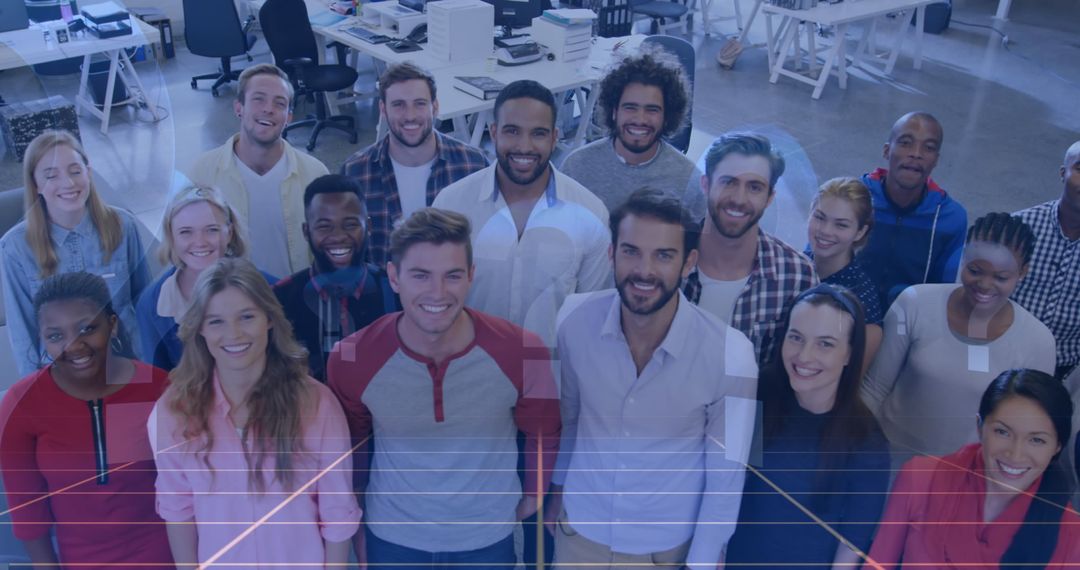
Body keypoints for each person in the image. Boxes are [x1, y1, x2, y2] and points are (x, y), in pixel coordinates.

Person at [327, 208, 560, 569]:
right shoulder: (351, 357)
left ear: (471, 276)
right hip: (393, 541)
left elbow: (544, 431)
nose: (437, 292)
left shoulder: (524, 350)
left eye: (452, 275)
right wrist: (356, 516)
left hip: (485, 542)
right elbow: (351, 445)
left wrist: (534, 494)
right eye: (420, 275)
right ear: (394, 277)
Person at [549, 188, 758, 569]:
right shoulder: (573, 321)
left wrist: (702, 563)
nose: (644, 270)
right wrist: (558, 491)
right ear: (611, 254)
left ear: (688, 262)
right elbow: (572, 420)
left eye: (663, 255)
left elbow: (727, 478)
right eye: (631, 251)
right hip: (578, 534)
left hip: (663, 553)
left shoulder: (733, 355)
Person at [149, 258, 359, 567]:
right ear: (200, 328)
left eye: (246, 316)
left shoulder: (316, 403)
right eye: (216, 321)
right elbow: (178, 510)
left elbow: (338, 513)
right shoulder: (173, 411)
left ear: (269, 319)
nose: (233, 334)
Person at [0, 272, 172, 569]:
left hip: (165, 557)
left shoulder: (158, 388)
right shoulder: (21, 404)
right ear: (42, 339)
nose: (74, 346)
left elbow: (186, 494)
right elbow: (29, 516)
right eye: (56, 336)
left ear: (112, 324)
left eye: (87, 328)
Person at [863, 212, 1056, 462]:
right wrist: (853, 448)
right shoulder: (915, 302)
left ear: (1023, 272)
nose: (984, 284)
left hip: (965, 474)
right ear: (964, 257)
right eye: (975, 270)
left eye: (1000, 277)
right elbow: (874, 388)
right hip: (885, 455)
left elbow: (1026, 429)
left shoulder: (1037, 342)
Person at [434, 80, 611, 346]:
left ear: (554, 137)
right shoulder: (451, 205)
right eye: (512, 131)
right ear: (494, 133)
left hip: (550, 367)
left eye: (538, 133)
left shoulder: (591, 214)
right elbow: (436, 297)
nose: (524, 146)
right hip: (469, 362)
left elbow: (591, 315)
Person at [724, 284, 889, 569]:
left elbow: (851, 544)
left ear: (850, 354)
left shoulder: (866, 441)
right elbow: (724, 490)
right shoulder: (757, 397)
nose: (804, 356)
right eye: (796, 338)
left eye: (825, 344)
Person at [869, 368, 1080, 566]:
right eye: (1002, 432)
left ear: (1057, 447)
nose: (1015, 455)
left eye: (1036, 440)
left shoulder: (1071, 534)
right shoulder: (919, 479)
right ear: (980, 427)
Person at [1, 129, 151, 377]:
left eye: (75, 171)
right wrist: (35, 390)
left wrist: (153, 372)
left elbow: (145, 303)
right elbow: (22, 332)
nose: (68, 183)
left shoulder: (123, 225)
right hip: (63, 373)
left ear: (88, 173)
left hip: (125, 364)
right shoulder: (14, 247)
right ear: (35, 185)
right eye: (51, 176)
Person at [684, 132, 817, 366]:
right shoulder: (664, 256)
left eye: (754, 187)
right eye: (728, 182)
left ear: (769, 197)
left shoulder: (797, 277)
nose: (739, 199)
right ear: (705, 184)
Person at [185, 63, 330, 278]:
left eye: (279, 103)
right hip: (229, 296)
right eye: (258, 99)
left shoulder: (315, 174)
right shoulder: (201, 174)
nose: (268, 109)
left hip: (295, 296)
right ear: (239, 108)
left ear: (289, 117)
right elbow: (184, 252)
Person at [341, 62, 488, 269]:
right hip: (384, 289)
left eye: (419, 103)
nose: (410, 115)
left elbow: (489, 242)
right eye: (398, 104)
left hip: (454, 287)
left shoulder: (473, 165)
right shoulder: (354, 173)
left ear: (434, 107)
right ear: (383, 109)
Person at [274, 175, 399, 382]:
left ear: (368, 226)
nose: (339, 236)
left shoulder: (397, 292)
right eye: (324, 226)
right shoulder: (279, 300)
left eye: (350, 224)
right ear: (306, 231)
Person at [136, 185, 275, 371]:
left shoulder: (271, 289)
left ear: (230, 233)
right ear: (171, 236)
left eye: (212, 230)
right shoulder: (151, 304)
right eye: (186, 232)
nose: (200, 242)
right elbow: (158, 377)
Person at [559, 48, 704, 218]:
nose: (640, 119)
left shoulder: (689, 180)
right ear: (614, 111)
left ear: (667, 117)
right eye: (630, 107)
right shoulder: (576, 167)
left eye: (652, 110)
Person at [855, 112, 968, 306]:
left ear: (936, 160)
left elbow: (945, 291)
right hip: (842, 312)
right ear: (886, 151)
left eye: (928, 147)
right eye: (905, 143)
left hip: (911, 320)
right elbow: (817, 260)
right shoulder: (853, 198)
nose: (916, 153)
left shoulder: (951, 218)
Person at [1011, 140, 1080, 380]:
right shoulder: (1018, 228)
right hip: (1002, 358)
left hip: (1065, 373)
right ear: (1063, 173)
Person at [805, 177, 884, 368]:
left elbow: (850, 379)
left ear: (860, 232)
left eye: (841, 225)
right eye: (819, 217)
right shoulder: (787, 266)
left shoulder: (862, 301)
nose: (825, 230)